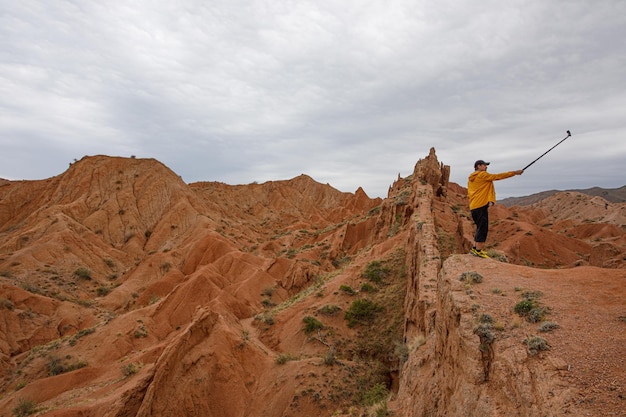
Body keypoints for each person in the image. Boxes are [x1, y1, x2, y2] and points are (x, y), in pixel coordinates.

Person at [467, 160, 524, 258]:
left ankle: (475, 249)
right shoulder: (482, 175)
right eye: (484, 165)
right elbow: (497, 176)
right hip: (480, 205)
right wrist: (514, 173)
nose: (486, 167)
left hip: (474, 206)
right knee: (483, 228)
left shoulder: (472, 178)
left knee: (479, 227)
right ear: (479, 166)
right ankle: (479, 251)